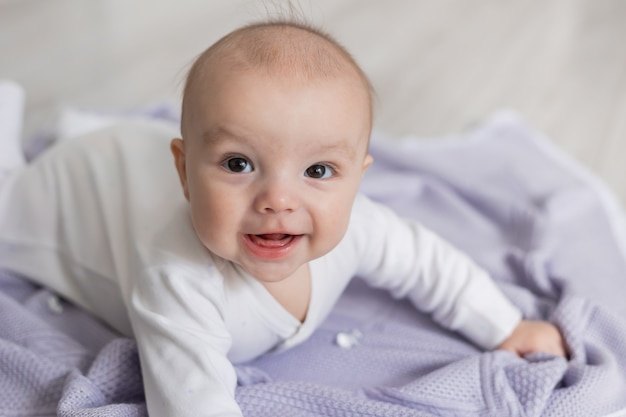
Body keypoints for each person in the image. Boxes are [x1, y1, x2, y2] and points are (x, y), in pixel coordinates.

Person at [0, 20, 566, 417]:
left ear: (358, 177)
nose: (278, 199)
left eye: (318, 170)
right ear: (185, 172)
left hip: (132, 161)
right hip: (70, 196)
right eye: (239, 164)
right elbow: (192, 398)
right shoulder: (177, 277)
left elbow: (429, 264)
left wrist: (505, 325)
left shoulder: (360, 226)